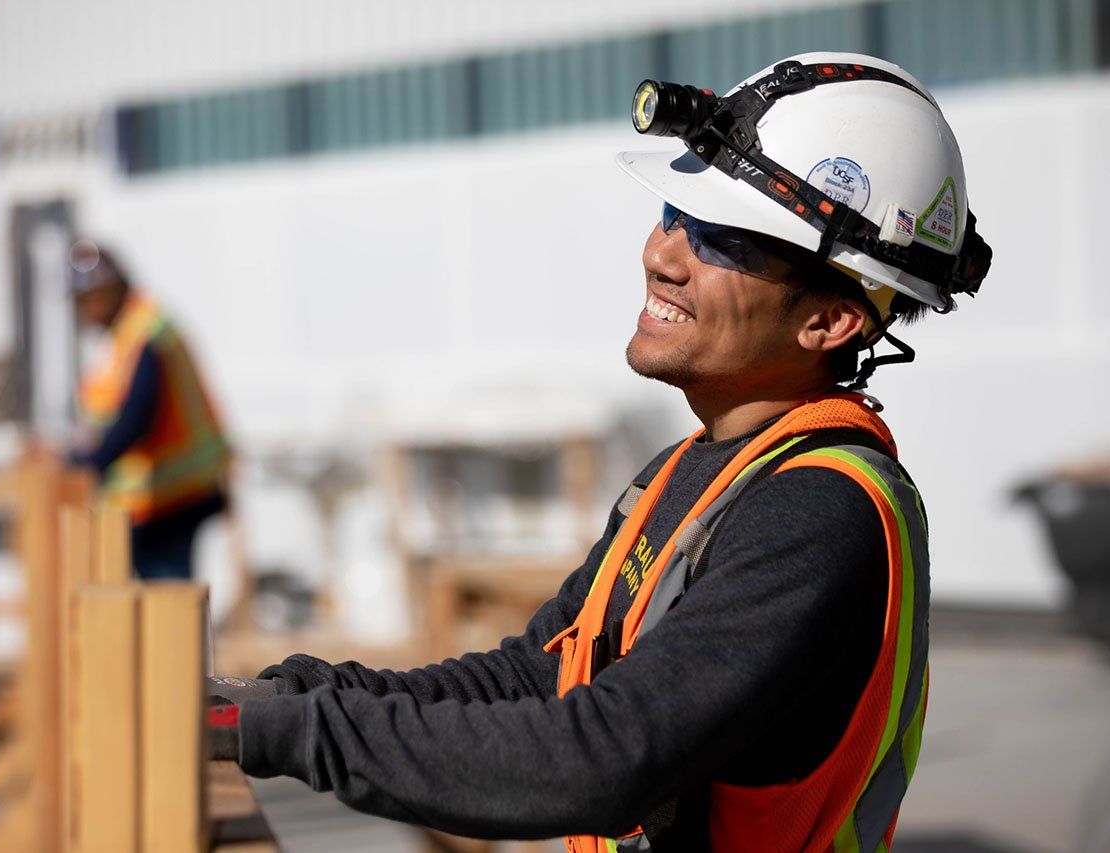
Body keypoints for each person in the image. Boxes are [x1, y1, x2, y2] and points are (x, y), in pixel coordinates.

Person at [206, 52, 991, 851]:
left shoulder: (819, 513)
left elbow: (598, 758)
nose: (663, 254)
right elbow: (532, 677)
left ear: (828, 320)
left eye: (722, 239)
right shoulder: (690, 473)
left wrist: (284, 731)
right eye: (677, 213)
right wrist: (276, 695)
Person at [67, 239, 231, 580]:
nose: (86, 311)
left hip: (172, 497)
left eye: (89, 300)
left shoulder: (146, 332)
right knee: (162, 609)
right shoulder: (126, 336)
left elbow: (136, 416)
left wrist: (84, 465)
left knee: (169, 609)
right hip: (159, 498)